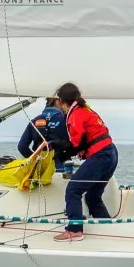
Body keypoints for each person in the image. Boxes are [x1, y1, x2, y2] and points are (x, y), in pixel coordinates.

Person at [52, 83, 118, 242]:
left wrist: (58, 154)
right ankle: (110, 228)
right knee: (93, 196)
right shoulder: (85, 109)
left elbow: (77, 143)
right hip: (111, 153)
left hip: (100, 156)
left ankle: (75, 231)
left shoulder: (76, 114)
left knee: (73, 189)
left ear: (61, 100)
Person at [17, 98, 73, 168]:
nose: (69, 106)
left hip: (40, 168)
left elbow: (22, 147)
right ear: (57, 101)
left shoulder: (35, 120)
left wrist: (35, 160)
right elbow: (73, 143)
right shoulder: (67, 119)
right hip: (61, 167)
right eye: (67, 103)